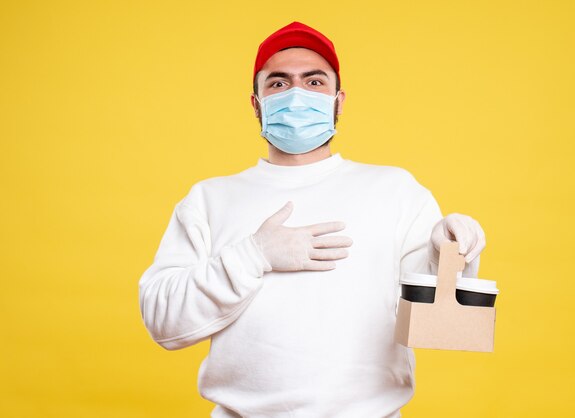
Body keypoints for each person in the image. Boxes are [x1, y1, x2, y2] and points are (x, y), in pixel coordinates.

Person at [138, 21, 486, 418]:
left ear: (339, 100)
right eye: (279, 84)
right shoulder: (209, 199)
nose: (298, 96)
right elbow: (163, 323)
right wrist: (253, 255)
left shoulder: (396, 191)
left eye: (314, 82)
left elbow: (439, 326)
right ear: (256, 102)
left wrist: (448, 258)